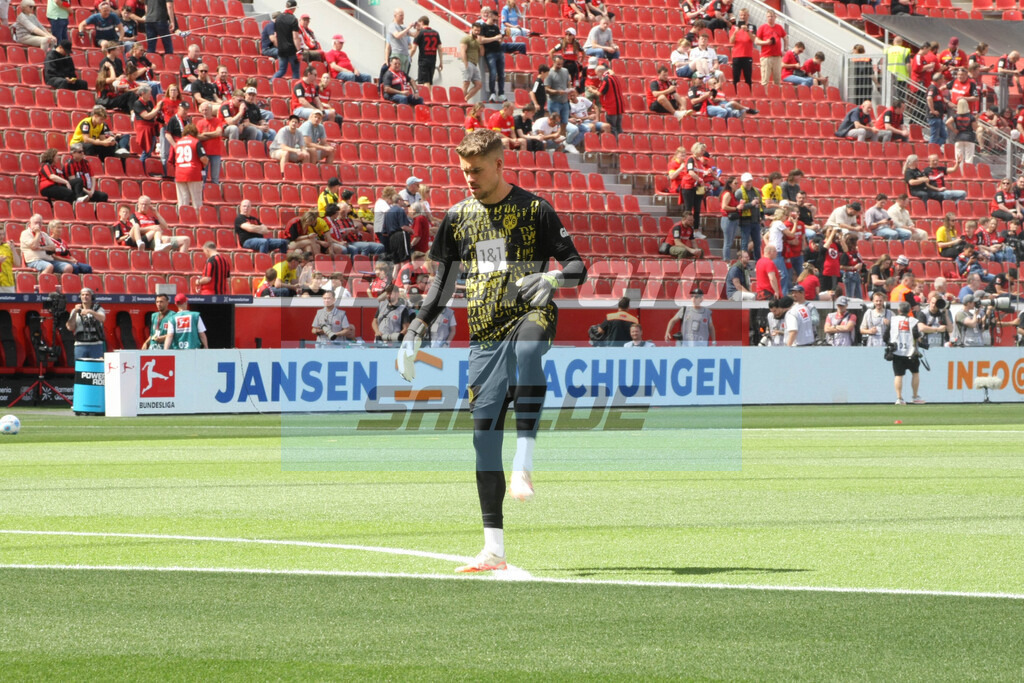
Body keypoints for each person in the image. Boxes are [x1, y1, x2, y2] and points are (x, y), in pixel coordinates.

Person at [396, 129, 587, 574]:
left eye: (477, 170)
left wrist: (554, 280)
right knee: (483, 443)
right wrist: (420, 323)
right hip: (484, 335)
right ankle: (493, 550)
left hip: (530, 314)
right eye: (464, 171)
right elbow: (445, 280)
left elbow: (577, 265)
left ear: (500, 165)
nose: (469, 178)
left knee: (529, 350)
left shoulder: (534, 208)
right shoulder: (458, 216)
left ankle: (526, 459)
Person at [890, 302, 924, 404]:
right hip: (911, 352)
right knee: (915, 373)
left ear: (899, 310)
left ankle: (899, 398)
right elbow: (917, 335)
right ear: (909, 310)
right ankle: (915, 396)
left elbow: (886, 335)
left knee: (898, 375)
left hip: (897, 351)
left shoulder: (893, 320)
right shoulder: (913, 321)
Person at [172, 123, 207, 210]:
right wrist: (206, 162)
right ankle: (198, 221)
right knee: (197, 202)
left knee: (183, 203)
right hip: (193, 173)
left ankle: (183, 221)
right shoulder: (196, 141)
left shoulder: (178, 143)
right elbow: (203, 158)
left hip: (179, 173)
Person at [65, 288, 107, 360]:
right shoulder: (75, 310)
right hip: (80, 345)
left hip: (96, 344)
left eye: (87, 295)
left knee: (95, 369)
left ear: (91, 297)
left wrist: (91, 312)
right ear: (80, 297)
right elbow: (70, 327)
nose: (85, 297)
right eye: (83, 295)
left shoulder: (98, 308)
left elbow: (102, 318)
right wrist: (75, 312)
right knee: (80, 368)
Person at [754, 9, 786, 86]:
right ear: (766, 17)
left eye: (772, 16)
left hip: (777, 56)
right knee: (765, 80)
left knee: (777, 80)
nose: (770, 18)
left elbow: (785, 38)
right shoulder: (762, 27)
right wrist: (766, 42)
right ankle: (765, 95)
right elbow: (756, 41)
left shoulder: (779, 27)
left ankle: (776, 96)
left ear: (775, 17)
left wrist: (785, 48)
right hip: (766, 56)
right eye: (768, 16)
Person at [272, 0, 301, 80]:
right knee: (295, 71)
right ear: (294, 8)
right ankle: (295, 88)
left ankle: (271, 82)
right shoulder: (293, 19)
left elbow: (276, 35)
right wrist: (299, 51)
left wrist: (279, 46)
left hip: (281, 49)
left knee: (281, 70)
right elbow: (295, 37)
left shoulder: (278, 18)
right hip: (291, 50)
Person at [412, 16, 442, 86]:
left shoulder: (420, 33)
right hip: (433, 60)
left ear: (422, 22)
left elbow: (413, 48)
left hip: (423, 61)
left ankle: (427, 97)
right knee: (429, 82)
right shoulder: (436, 33)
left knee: (425, 82)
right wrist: (441, 62)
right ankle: (429, 96)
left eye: (419, 23)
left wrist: (409, 56)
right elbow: (440, 48)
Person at [729, 7, 756, 87]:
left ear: (748, 15)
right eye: (741, 15)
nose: (742, 17)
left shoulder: (752, 27)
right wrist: (735, 32)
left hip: (747, 56)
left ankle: (749, 95)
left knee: (748, 79)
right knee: (736, 78)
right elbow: (731, 41)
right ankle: (736, 94)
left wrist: (747, 30)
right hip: (737, 56)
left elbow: (754, 39)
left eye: (744, 15)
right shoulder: (734, 27)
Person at [385, 7, 415, 75]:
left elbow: (414, 35)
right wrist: (386, 59)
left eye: (403, 15)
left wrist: (418, 29)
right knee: (397, 74)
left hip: (405, 54)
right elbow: (397, 36)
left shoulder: (403, 27)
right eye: (401, 15)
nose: (403, 17)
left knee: (404, 76)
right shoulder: (392, 26)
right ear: (395, 15)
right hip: (397, 54)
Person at [948, 99, 978, 166]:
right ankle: (968, 173)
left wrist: (954, 130)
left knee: (958, 158)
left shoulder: (956, 116)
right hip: (969, 137)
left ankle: (959, 172)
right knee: (969, 158)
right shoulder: (971, 117)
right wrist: (977, 120)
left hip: (959, 137)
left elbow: (947, 122)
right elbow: (975, 128)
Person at [459, 23, 484, 103]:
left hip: (474, 64)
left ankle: (465, 99)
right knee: (466, 83)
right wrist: (466, 63)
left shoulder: (477, 40)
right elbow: (462, 51)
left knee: (479, 84)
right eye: (476, 30)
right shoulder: (466, 38)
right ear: (472, 29)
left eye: (478, 30)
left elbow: (481, 53)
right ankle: (461, 102)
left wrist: (481, 43)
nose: (477, 32)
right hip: (468, 63)